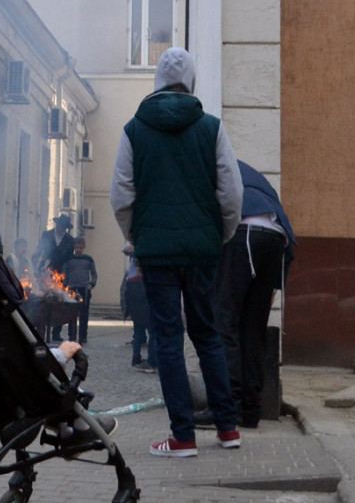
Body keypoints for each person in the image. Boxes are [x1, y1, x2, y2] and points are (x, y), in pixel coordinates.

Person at [109, 46, 244, 458]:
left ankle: (183, 436)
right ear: (191, 81)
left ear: (157, 81)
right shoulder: (212, 128)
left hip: (156, 254)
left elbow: (121, 194)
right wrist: (220, 236)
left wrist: (138, 237)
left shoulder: (134, 129)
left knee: (167, 339)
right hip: (202, 251)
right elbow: (231, 192)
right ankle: (228, 428)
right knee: (207, 335)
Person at [196, 160, 296, 429]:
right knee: (253, 328)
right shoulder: (247, 171)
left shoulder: (205, 166)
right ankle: (250, 410)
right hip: (276, 238)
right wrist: (275, 284)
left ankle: (225, 407)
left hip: (243, 231)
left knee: (223, 322)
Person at [122, 242, 156, 373]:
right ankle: (152, 360)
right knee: (151, 334)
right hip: (146, 313)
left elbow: (127, 297)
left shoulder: (131, 281)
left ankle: (136, 358)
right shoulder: (147, 282)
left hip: (137, 313)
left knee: (138, 335)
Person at [59, 236, 97, 343]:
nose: (78, 250)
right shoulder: (69, 259)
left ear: (84, 247)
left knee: (84, 313)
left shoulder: (88, 259)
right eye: (76, 248)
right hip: (72, 289)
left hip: (84, 289)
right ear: (74, 247)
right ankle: (71, 335)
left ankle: (83, 335)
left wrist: (92, 284)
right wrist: (66, 285)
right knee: (71, 313)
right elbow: (64, 273)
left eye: (80, 248)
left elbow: (94, 274)